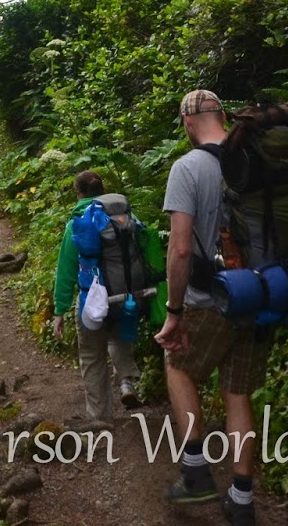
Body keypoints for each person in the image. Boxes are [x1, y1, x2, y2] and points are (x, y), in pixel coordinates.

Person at [155, 89, 273, 526]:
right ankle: (242, 498)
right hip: (259, 295)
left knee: (178, 366)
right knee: (238, 395)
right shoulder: (256, 162)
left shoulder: (188, 167)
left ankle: (196, 471)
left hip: (212, 299)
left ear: (188, 122)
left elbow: (181, 250)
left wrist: (174, 310)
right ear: (223, 115)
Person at [50, 171, 166, 420]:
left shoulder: (78, 222)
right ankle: (126, 381)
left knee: (92, 357)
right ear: (103, 191)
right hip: (129, 298)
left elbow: (66, 271)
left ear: (78, 193)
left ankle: (99, 418)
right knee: (120, 337)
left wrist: (59, 310)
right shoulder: (127, 217)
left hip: (93, 304)